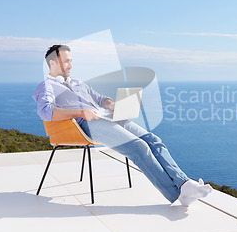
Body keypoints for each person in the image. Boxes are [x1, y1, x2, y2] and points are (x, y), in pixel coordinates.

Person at [32, 44, 212, 206]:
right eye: (66, 61)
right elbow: (46, 112)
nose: (71, 65)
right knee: (139, 147)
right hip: (86, 125)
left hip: (107, 117)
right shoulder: (46, 87)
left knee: (153, 140)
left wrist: (110, 105)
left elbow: (100, 98)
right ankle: (178, 194)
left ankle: (184, 183)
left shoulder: (78, 84)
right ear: (52, 63)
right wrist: (80, 112)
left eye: (71, 61)